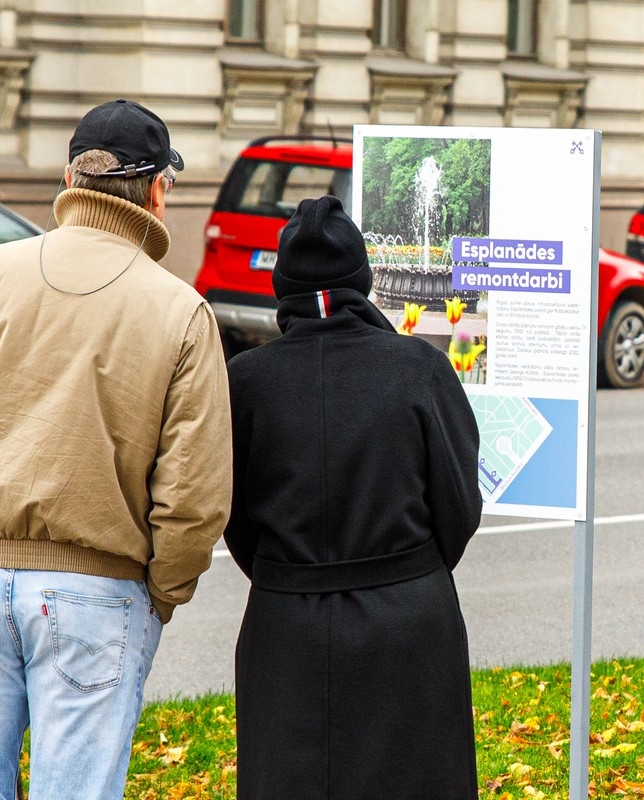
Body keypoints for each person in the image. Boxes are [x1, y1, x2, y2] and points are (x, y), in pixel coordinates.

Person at [0, 98, 233, 800]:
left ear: (69, 180)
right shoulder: (176, 309)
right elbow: (193, 490)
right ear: (158, 189)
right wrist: (161, 589)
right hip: (98, 586)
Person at [223, 195, 482, 799]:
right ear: (362, 280)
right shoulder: (420, 368)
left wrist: (288, 570)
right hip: (408, 624)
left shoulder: (246, 381)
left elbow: (232, 517)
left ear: (281, 284)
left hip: (287, 624)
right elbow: (458, 507)